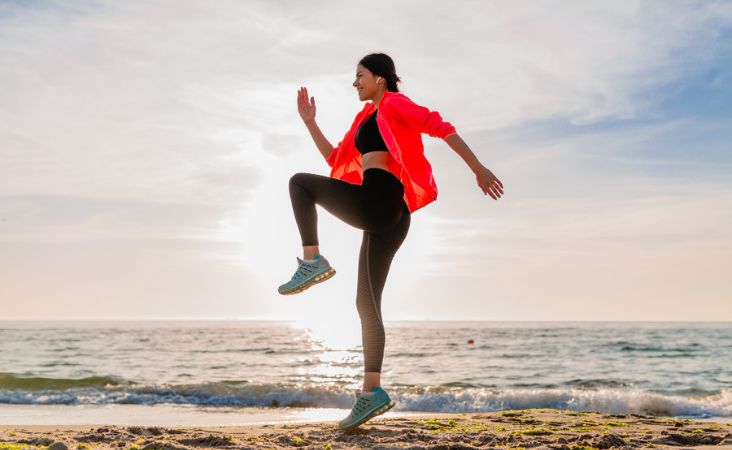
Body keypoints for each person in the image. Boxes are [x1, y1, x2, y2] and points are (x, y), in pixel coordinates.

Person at [278, 53, 503, 430]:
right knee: (366, 302)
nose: (355, 83)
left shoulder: (395, 103)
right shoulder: (365, 119)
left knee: (300, 183)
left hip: (381, 202)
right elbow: (336, 158)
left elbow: (440, 126)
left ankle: (312, 260)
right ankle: (372, 393)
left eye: (360, 76)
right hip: (391, 216)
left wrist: (478, 169)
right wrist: (310, 123)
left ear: (381, 79)